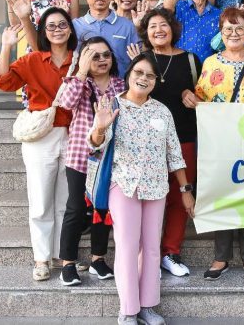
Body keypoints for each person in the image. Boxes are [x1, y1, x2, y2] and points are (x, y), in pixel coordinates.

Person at [88, 53, 193, 325]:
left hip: (156, 187)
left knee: (151, 248)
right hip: (124, 186)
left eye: (150, 75)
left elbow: (174, 154)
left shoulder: (162, 111)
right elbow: (95, 144)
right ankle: (127, 310)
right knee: (127, 246)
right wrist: (100, 128)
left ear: (156, 81)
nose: (143, 78)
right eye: (139, 73)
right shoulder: (113, 106)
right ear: (129, 75)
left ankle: (147, 306)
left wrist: (185, 190)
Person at [0, 7, 76, 281]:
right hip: (42, 136)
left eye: (62, 24)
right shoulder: (32, 60)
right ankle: (41, 258)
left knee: (66, 201)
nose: (57, 30)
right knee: (40, 201)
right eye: (51, 26)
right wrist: (6, 47)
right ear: (43, 32)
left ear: (70, 28)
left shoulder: (79, 59)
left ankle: (63, 256)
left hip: (73, 135)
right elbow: (4, 81)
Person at [195, 7, 244, 279]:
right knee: (222, 195)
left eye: (240, 28)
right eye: (228, 29)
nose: (234, 33)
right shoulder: (210, 63)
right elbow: (201, 96)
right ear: (221, 32)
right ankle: (221, 257)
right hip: (219, 140)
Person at [131, 8, 203, 278]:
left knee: (180, 197)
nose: (158, 30)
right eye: (152, 26)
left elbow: (203, 96)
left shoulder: (191, 60)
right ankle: (147, 255)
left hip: (184, 137)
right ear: (145, 33)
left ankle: (170, 252)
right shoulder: (142, 61)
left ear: (173, 28)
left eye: (163, 25)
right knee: (148, 199)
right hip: (147, 143)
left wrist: (194, 98)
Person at [56, 37, 124, 286]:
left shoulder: (121, 84)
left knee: (102, 209)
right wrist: (81, 72)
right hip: (80, 156)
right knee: (75, 208)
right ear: (85, 59)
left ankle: (98, 259)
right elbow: (66, 103)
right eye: (94, 56)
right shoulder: (79, 83)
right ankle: (68, 264)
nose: (102, 60)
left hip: (110, 158)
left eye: (106, 54)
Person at [72, 0, 140, 75]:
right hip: (84, 84)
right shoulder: (74, 26)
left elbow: (138, 60)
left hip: (119, 84)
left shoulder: (127, 26)